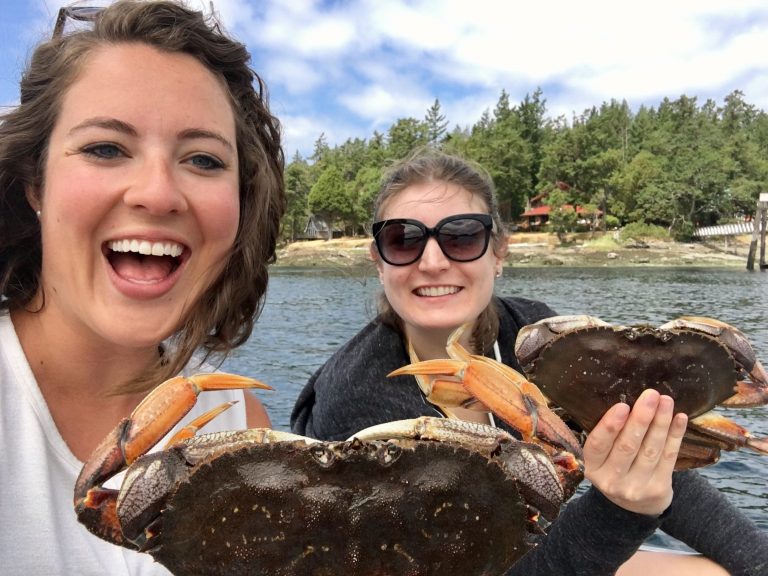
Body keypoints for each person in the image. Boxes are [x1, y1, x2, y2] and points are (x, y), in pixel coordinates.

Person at [291, 149, 768, 575]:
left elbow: (641, 449)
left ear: (499, 253)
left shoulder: (536, 338)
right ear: (379, 262)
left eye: (461, 237)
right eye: (403, 240)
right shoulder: (357, 403)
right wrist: (622, 510)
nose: (432, 262)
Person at [0, 2, 285, 574]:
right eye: (106, 148)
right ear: (35, 183)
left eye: (203, 159)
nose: (158, 194)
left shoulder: (238, 421)